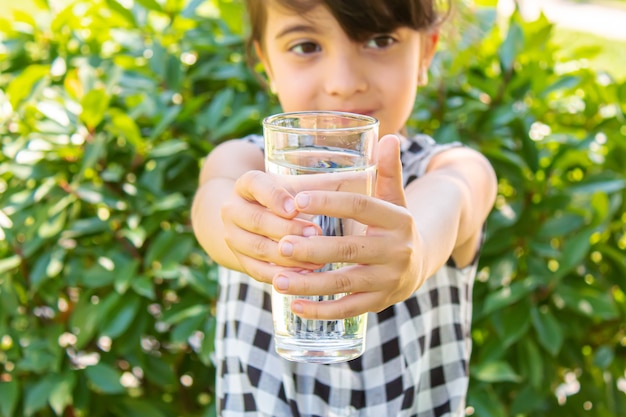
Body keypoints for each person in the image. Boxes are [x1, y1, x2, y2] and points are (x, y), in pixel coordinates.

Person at [191, 0, 498, 415]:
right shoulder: (245, 168)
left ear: (426, 52)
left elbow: (454, 197)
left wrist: (413, 251)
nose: (343, 82)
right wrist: (242, 229)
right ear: (266, 62)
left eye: (380, 39)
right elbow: (214, 206)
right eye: (305, 46)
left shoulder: (448, 170)